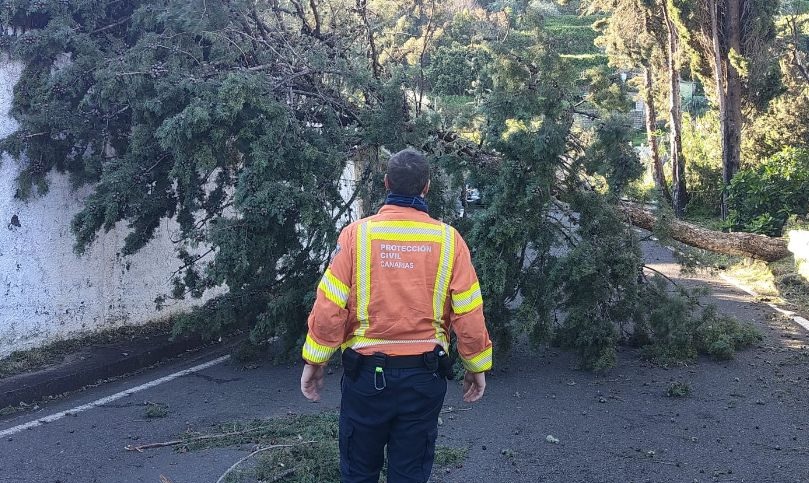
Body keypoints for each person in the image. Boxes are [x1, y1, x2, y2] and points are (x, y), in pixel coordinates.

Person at [300, 148, 492, 483]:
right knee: (410, 474)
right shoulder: (450, 241)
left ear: (386, 183)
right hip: (423, 379)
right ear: (427, 187)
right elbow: (469, 312)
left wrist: (315, 362)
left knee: (358, 473)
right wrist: (476, 367)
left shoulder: (356, 235)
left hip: (365, 379)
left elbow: (329, 306)